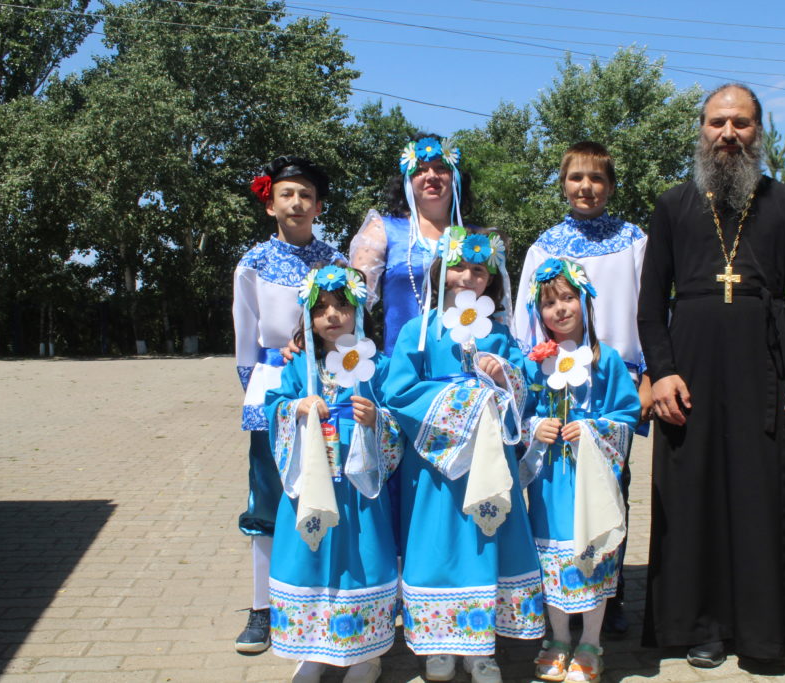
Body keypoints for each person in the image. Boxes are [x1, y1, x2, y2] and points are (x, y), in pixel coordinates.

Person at [637, 83, 785, 669]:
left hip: (767, 368)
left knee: (760, 491)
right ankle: (702, 626)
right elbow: (650, 305)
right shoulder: (673, 205)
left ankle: (763, 628)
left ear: (758, 131)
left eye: (740, 123)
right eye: (718, 122)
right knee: (693, 493)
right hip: (690, 368)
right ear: (701, 130)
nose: (728, 134)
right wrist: (661, 372)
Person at [384, 227, 545, 683]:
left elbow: (525, 392)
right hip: (435, 465)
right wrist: (464, 402)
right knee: (437, 544)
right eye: (459, 266)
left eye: (479, 269)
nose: (468, 277)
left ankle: (481, 648)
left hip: (489, 463)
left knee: (484, 542)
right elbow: (398, 392)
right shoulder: (419, 331)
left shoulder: (500, 333)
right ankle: (439, 645)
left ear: (490, 280)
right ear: (441, 272)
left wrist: (503, 375)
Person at [513, 141, 652, 636]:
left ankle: (609, 595)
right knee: (553, 493)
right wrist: (533, 369)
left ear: (611, 185)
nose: (586, 187)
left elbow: (652, 309)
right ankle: (558, 595)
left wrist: (650, 374)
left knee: (613, 485)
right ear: (563, 184)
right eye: (576, 177)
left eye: (596, 178)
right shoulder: (545, 246)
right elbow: (525, 316)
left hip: (613, 380)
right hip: (554, 381)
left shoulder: (635, 240)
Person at [263, 265, 402, 683]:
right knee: (311, 557)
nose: (332, 315)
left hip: (359, 488)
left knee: (362, 558)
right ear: (308, 317)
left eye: (341, 305)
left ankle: (365, 654)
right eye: (320, 308)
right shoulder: (298, 366)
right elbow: (274, 406)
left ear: (358, 309)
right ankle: (312, 650)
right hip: (312, 483)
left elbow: (399, 420)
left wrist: (377, 418)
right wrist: (296, 408)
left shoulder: (379, 365)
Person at [232, 156, 346, 654]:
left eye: (306, 195)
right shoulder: (253, 263)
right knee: (268, 497)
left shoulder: (336, 262)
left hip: (329, 390)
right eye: (287, 194)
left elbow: (350, 325)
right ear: (270, 204)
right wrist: (258, 392)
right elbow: (244, 338)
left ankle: (325, 595)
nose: (296, 203)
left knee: (328, 487)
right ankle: (264, 608)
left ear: (319, 206)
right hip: (274, 389)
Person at [519, 258, 640, 682]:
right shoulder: (534, 364)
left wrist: (591, 429)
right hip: (550, 483)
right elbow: (519, 415)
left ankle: (590, 642)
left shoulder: (607, 360)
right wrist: (536, 427)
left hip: (592, 482)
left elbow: (627, 414)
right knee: (552, 562)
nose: (560, 309)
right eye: (549, 302)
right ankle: (557, 639)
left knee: (593, 556)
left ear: (584, 301)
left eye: (568, 298)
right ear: (539, 312)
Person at [349, 133, 475, 355]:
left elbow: (496, 307)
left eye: (441, 168)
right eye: (420, 170)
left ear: (455, 177)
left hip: (464, 362)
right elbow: (354, 303)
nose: (431, 176)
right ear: (407, 180)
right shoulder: (382, 230)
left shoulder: (475, 239)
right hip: (403, 363)